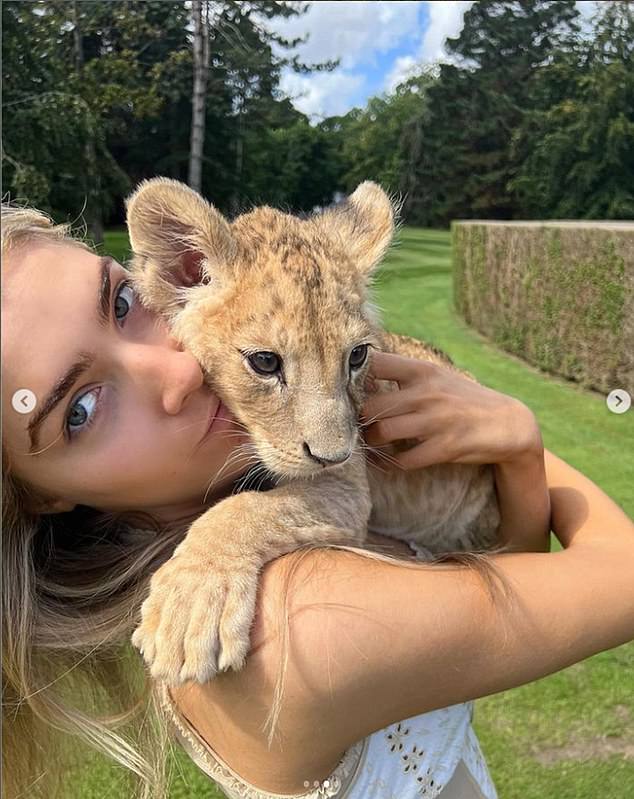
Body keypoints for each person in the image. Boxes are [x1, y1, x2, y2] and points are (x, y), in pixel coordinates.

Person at [2, 203, 633, 799]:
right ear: (40, 496)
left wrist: (517, 452)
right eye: (78, 410)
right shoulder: (300, 624)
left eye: (124, 301)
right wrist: (527, 434)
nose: (184, 369)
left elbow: (511, 567)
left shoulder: (246, 482)